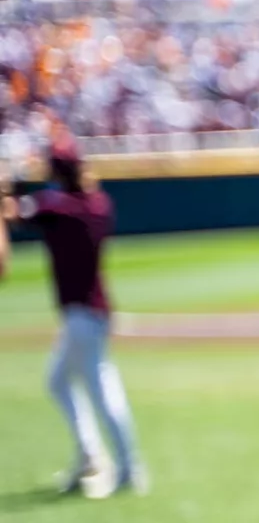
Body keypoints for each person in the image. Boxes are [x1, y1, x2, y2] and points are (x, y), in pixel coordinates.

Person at [0, 133, 146, 498]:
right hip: (89, 313)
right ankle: (91, 456)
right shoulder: (98, 203)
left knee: (102, 390)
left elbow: (23, 211)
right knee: (59, 381)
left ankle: (128, 467)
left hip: (83, 315)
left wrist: (7, 192)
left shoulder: (60, 206)